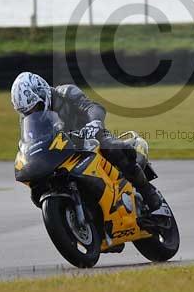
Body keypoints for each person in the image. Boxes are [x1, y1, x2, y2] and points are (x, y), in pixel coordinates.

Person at [10, 71, 162, 211]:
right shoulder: (27, 117)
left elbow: (92, 107)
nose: (32, 112)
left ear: (42, 93)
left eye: (34, 107)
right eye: (27, 111)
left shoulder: (66, 92)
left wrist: (94, 123)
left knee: (111, 148)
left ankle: (147, 191)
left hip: (90, 137)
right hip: (61, 150)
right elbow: (30, 139)